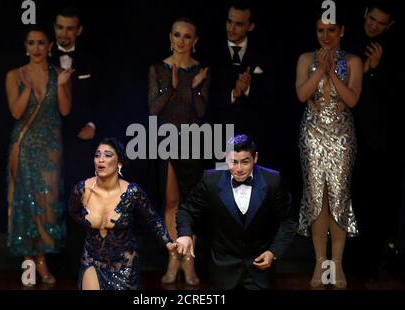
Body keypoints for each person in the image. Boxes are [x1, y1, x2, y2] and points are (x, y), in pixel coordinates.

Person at [176, 135, 297, 289]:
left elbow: (289, 220)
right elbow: (187, 211)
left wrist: (273, 252)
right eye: (233, 162)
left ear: (255, 158)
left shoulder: (272, 180)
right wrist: (185, 234)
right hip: (222, 269)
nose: (239, 169)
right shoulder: (210, 180)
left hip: (260, 268)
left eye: (245, 162)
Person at [295, 11, 363, 288]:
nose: (326, 36)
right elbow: (301, 95)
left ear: (342, 31)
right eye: (321, 30)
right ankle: (320, 261)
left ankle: (337, 264)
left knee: (338, 196)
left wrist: (332, 72)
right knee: (316, 197)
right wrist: (320, 69)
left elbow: (352, 98)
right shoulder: (305, 59)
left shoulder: (354, 61)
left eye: (331, 30)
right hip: (312, 134)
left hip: (341, 135)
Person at [5, 24, 74, 286]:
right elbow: (15, 112)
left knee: (47, 204)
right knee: (24, 201)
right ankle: (28, 262)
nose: (36, 48)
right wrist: (29, 88)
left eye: (41, 43)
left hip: (51, 146)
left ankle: (43, 260)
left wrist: (62, 85)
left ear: (50, 47)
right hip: (23, 145)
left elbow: (66, 111)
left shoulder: (59, 73)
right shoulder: (14, 75)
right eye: (31, 43)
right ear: (26, 47)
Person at [148, 17, 209, 286]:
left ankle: (189, 261)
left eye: (187, 36)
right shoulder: (157, 68)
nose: (181, 41)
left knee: (190, 205)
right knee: (172, 203)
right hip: (166, 140)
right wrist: (170, 86)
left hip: (193, 141)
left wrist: (195, 88)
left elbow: (201, 111)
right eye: (177, 35)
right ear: (170, 37)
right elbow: (153, 108)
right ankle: (174, 257)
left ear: (194, 41)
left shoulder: (201, 70)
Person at [68, 137, 175, 290]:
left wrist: (169, 242)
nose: (101, 160)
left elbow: (153, 219)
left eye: (107, 155)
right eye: (97, 155)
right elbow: (73, 210)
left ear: (119, 163)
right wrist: (88, 221)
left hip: (124, 265)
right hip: (92, 259)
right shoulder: (82, 189)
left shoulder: (132, 192)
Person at [345, 0, 401, 282]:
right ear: (364, 13)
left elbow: (391, 97)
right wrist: (365, 69)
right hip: (346, 135)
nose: (374, 26)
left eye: (381, 23)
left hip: (377, 142)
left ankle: (368, 263)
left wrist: (376, 69)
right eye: (372, 19)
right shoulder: (348, 42)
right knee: (346, 201)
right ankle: (343, 262)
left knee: (373, 204)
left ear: (389, 25)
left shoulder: (392, 51)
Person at [51, 6, 102, 277]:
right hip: (48, 142)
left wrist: (94, 125)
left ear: (79, 30)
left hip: (81, 144)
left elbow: (101, 96)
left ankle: (75, 264)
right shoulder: (43, 56)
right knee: (49, 202)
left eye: (70, 28)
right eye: (60, 27)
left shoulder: (91, 59)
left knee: (79, 202)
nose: (65, 33)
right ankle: (49, 264)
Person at [209, 0, 274, 162]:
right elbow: (208, 95)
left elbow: (272, 96)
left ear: (250, 26)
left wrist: (247, 89)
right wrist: (234, 92)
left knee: (252, 185)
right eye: (229, 22)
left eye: (238, 24)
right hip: (219, 136)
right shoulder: (211, 53)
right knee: (220, 184)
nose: (232, 28)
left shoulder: (264, 54)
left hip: (253, 136)